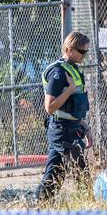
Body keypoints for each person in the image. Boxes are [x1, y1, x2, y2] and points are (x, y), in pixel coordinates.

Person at [36, 31, 93, 200]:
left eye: (86, 52)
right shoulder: (59, 73)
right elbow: (50, 107)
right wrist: (68, 89)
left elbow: (72, 107)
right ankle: (88, 205)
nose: (84, 55)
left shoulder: (72, 70)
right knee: (80, 171)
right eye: (82, 52)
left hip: (73, 127)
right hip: (62, 130)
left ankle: (41, 204)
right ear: (69, 49)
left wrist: (85, 126)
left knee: (57, 172)